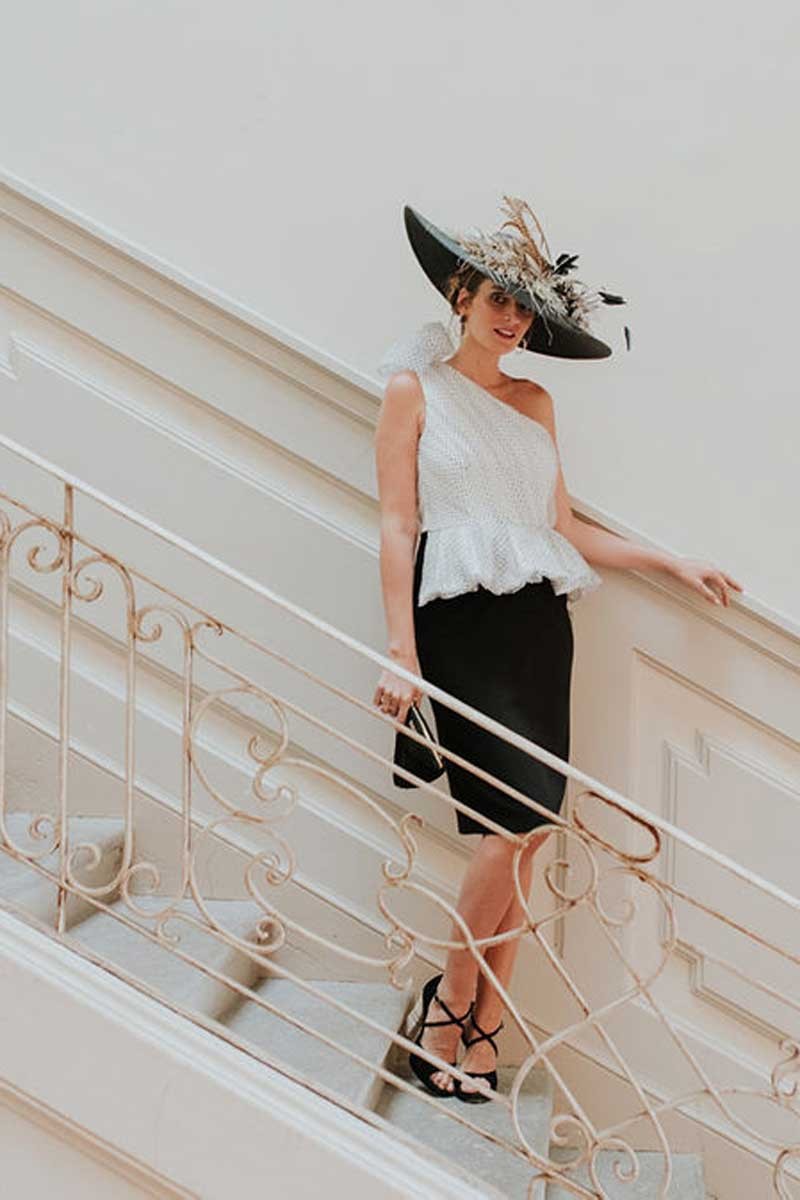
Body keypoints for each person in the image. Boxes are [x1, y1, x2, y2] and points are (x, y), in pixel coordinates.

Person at [372, 197, 743, 1103]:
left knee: (531, 835)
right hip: (459, 624)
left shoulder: (535, 401)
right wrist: (400, 652)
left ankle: (485, 1025)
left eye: (525, 308)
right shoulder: (412, 390)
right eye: (498, 298)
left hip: (539, 628)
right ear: (461, 295)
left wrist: (670, 561)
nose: (512, 318)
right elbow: (397, 524)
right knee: (506, 830)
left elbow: (562, 526)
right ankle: (448, 1007)